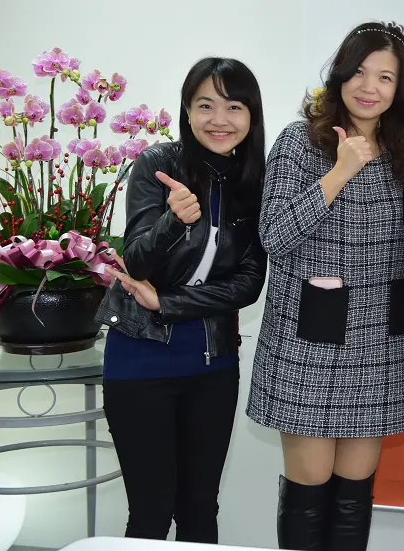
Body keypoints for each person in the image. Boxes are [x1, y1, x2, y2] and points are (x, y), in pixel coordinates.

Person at [246, 22, 404, 551]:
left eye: (385, 77)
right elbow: (274, 236)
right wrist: (339, 172)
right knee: (310, 489)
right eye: (360, 72)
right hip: (309, 343)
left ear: (399, 89)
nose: (370, 87)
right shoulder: (300, 141)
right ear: (341, 75)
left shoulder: (401, 147)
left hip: (375, 342)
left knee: (354, 495)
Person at [100, 58, 268, 542]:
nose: (220, 119)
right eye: (206, 106)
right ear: (187, 111)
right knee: (150, 511)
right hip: (140, 360)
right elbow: (135, 262)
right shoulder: (157, 164)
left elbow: (248, 283)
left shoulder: (255, 182)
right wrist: (173, 221)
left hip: (212, 365)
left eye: (234, 107)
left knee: (199, 510)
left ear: (251, 115)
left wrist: (167, 304)